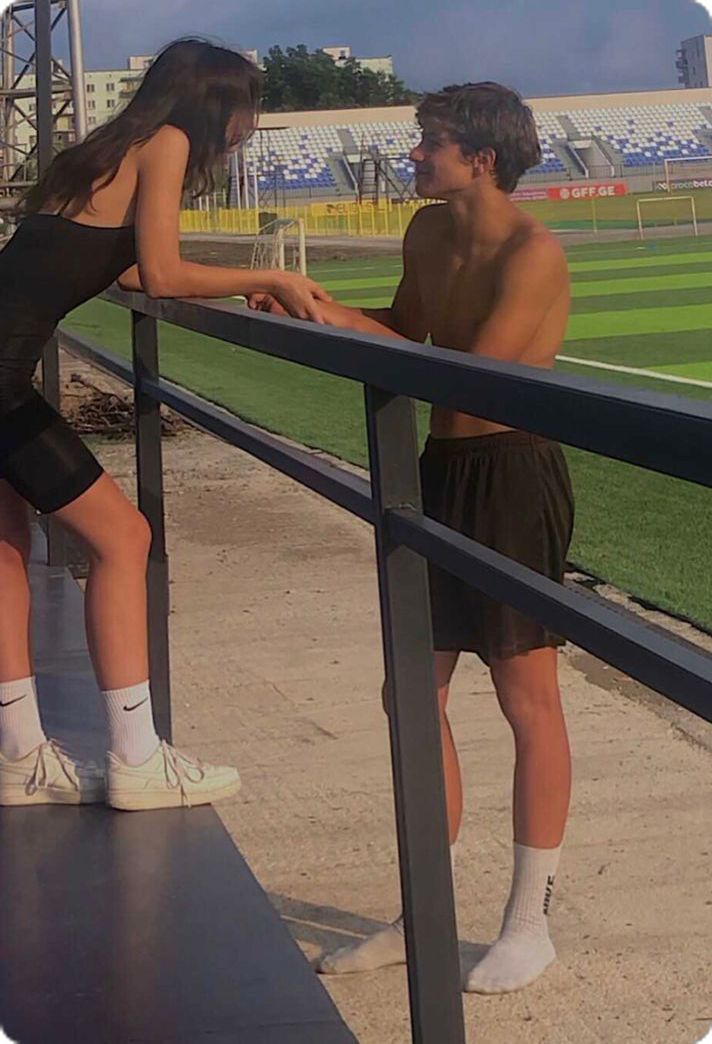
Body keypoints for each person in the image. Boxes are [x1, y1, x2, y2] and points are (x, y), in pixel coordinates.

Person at [251, 81, 573, 994]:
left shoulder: (533, 252)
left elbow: (470, 380)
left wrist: (341, 325)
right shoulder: (428, 233)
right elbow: (403, 331)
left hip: (512, 476)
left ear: (479, 156)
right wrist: (314, 308)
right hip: (436, 471)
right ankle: (423, 909)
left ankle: (527, 923)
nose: (414, 154)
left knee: (527, 700)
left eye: (428, 141)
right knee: (411, 697)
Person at [0, 38, 330, 812]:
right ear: (213, 102)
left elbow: (118, 265)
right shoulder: (169, 144)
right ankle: (136, 757)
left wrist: (222, 286)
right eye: (248, 104)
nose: (250, 122)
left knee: (11, 544)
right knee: (124, 539)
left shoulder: (104, 152)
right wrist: (271, 273)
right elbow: (164, 274)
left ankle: (20, 756)